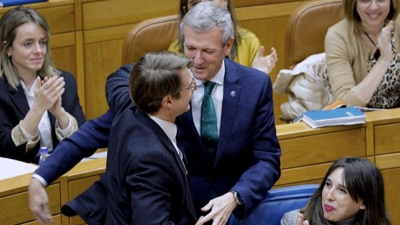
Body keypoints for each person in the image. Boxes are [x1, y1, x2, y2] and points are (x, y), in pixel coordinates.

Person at [29, 2, 281, 224]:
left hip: (231, 211)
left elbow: (267, 159)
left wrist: (235, 197)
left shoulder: (255, 86)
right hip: (168, 210)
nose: (197, 60)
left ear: (228, 46)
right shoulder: (165, 80)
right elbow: (96, 131)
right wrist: (42, 176)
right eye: (190, 48)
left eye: (208, 51)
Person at [103, 51, 197, 224]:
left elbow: (117, 79)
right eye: (190, 86)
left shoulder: (129, 110)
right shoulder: (151, 159)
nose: (194, 89)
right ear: (168, 101)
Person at [0, 6, 85, 163]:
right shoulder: (1, 90)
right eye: (28, 44)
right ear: (8, 48)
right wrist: (38, 109)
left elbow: (85, 141)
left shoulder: (63, 81)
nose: (39, 50)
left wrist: (59, 113)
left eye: (43, 42)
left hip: (61, 172)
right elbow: (5, 149)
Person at [168, 0, 278, 75]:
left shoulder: (249, 42)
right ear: (186, 10)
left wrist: (255, 77)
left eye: (210, 0)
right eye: (196, 3)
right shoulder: (175, 51)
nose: (204, 8)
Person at [325, 0, 399, 108]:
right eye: (365, 0)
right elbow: (343, 105)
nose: (374, 7)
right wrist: (384, 59)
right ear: (353, 3)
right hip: (364, 121)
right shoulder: (338, 36)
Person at [280, 157, 391, 225]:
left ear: (364, 202)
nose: (329, 196)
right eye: (328, 184)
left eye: (342, 190)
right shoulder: (294, 221)